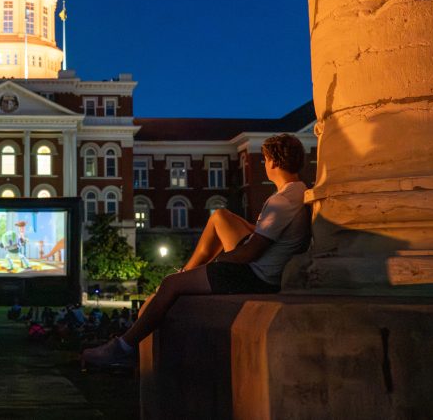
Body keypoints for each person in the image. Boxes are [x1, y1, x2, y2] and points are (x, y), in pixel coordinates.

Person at [82, 133, 310, 368]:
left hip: (255, 275)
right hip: (264, 267)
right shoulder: (296, 191)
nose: (264, 166)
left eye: (263, 160)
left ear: (272, 162)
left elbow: (252, 251)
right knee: (220, 216)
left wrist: (217, 264)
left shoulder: (281, 200)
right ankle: (187, 273)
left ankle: (123, 348)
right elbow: (264, 235)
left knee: (171, 284)